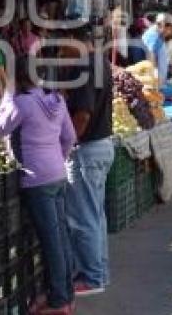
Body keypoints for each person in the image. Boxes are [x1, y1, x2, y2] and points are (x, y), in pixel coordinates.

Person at [0, 55, 76, 314]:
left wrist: (6, 96)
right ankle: (67, 295)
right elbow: (70, 137)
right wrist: (57, 160)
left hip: (36, 179)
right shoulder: (57, 100)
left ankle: (59, 301)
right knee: (60, 237)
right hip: (58, 175)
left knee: (51, 242)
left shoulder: (22, 103)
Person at [62, 25, 114, 296]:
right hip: (101, 146)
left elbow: (82, 114)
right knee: (95, 216)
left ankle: (91, 278)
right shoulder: (101, 61)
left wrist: (66, 143)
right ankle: (99, 273)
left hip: (87, 149)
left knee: (83, 218)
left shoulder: (85, 67)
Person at [141, 13, 172, 85]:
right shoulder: (154, 37)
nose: (168, 33)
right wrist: (155, 82)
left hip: (159, 81)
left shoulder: (156, 34)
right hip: (156, 82)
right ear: (162, 25)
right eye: (169, 30)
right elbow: (151, 60)